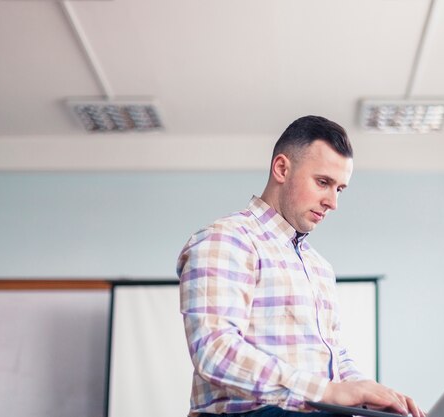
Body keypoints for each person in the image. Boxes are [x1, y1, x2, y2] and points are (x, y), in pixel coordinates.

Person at [177, 115, 424, 417]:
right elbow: (215, 352)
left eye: (340, 189)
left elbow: (334, 356)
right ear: (282, 168)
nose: (333, 202)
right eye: (323, 182)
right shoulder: (227, 239)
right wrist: (327, 392)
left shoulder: (319, 268)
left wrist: (369, 391)